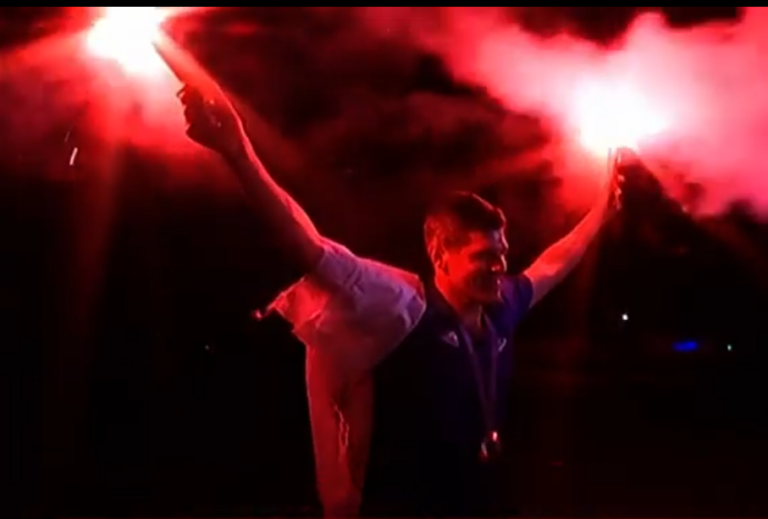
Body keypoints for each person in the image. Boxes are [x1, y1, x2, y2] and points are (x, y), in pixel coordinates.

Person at [164, 53, 619, 517]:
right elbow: (310, 248)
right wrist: (239, 152)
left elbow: (553, 263)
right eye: (484, 256)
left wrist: (600, 211)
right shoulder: (400, 310)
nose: (500, 267)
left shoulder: (502, 306)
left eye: (502, 253)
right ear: (439, 254)